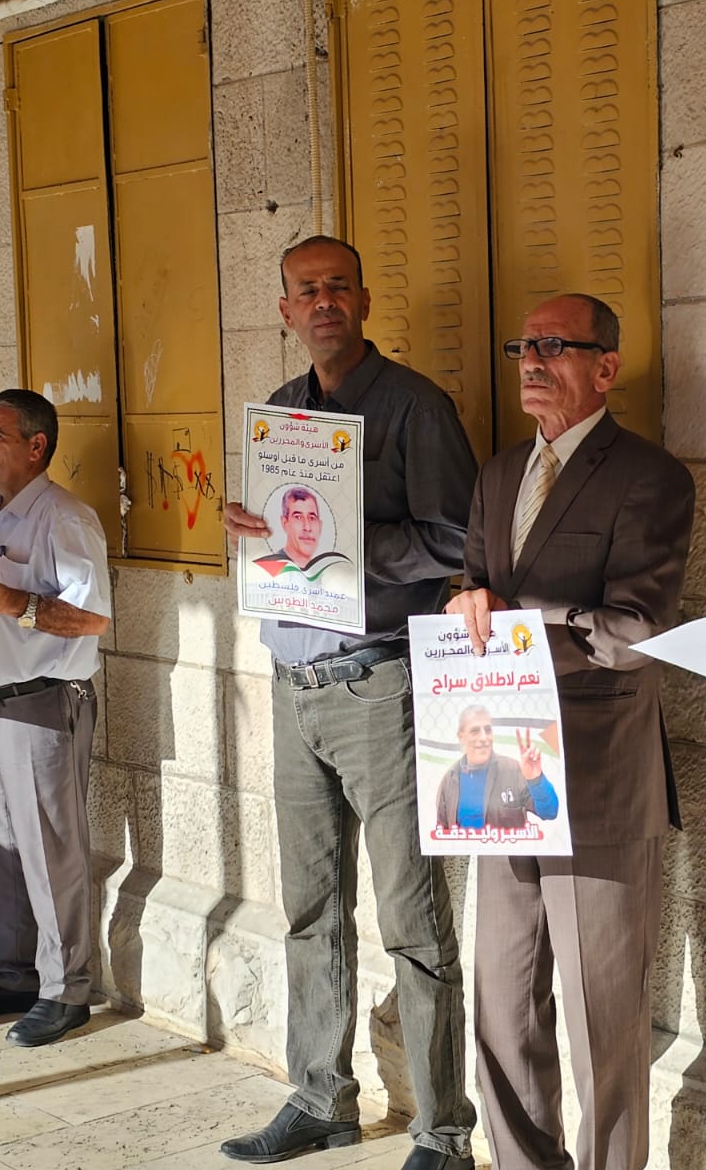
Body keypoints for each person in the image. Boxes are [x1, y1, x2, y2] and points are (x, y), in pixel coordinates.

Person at [218, 236, 479, 1170]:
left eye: (338, 287)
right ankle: (321, 1097)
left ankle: (443, 1131)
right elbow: (277, 540)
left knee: (413, 918)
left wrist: (344, 541)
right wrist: (252, 529)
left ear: (364, 301)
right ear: (285, 309)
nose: (323, 301)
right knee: (309, 908)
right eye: (306, 290)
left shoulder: (415, 407)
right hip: (295, 684)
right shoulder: (282, 412)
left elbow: (458, 538)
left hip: (380, 684)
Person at [446, 293, 695, 1170]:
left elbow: (637, 630)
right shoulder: (497, 475)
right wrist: (466, 607)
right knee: (502, 1001)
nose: (532, 360)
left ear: (605, 367)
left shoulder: (651, 476)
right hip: (498, 774)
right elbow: (470, 592)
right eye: (524, 346)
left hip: (596, 777)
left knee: (602, 1019)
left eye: (554, 346)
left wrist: (522, 620)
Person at [0, 389, 112, 1048]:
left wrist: (17, 603)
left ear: (37, 446)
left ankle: (66, 991)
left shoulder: (65, 519)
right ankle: (14, 974)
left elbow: (92, 618)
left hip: (43, 702)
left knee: (49, 850)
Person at [433, 705, 558, 832]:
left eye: (487, 730)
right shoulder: (450, 780)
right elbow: (442, 834)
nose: (483, 738)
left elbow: (550, 812)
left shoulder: (513, 770)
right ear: (461, 737)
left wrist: (535, 779)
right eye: (475, 731)